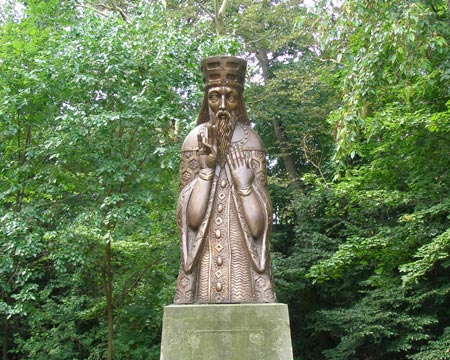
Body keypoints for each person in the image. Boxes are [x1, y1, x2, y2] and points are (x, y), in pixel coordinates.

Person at [174, 56, 276, 304]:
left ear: (238, 101)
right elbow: (191, 220)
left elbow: (258, 228)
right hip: (204, 268)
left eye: (229, 97)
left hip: (243, 269)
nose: (221, 106)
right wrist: (205, 172)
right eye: (214, 96)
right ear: (205, 99)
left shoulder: (251, 142)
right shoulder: (193, 141)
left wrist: (244, 186)